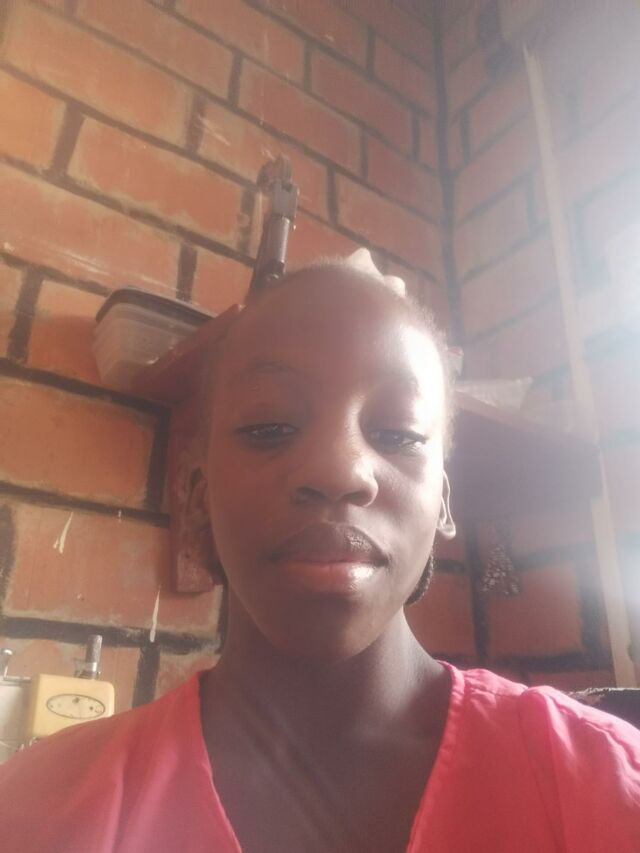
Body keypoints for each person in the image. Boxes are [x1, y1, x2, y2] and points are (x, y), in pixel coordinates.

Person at [1, 252, 639, 852]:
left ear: (443, 504)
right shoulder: (35, 812)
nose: (339, 470)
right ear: (196, 497)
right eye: (269, 427)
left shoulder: (605, 783)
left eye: (397, 433)